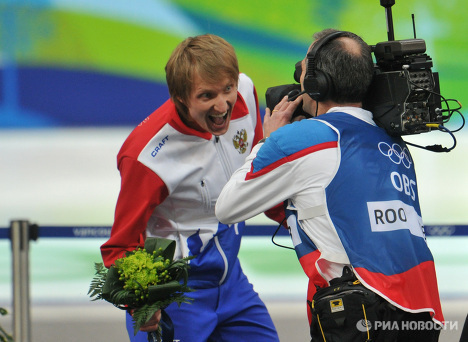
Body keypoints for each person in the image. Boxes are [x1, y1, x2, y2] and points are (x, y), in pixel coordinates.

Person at [216, 28, 444, 341]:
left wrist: (269, 140)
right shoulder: (394, 144)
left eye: (304, 71)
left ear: (317, 83)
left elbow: (228, 207)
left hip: (364, 313)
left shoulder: (306, 139)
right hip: (422, 310)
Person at [101, 33, 279, 342]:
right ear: (181, 97)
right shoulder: (146, 156)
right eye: (207, 96)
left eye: (227, 89)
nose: (223, 105)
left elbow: (256, 173)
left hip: (233, 285)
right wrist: (141, 304)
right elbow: (120, 247)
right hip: (177, 301)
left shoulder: (246, 92)